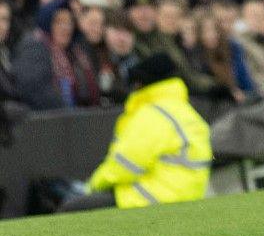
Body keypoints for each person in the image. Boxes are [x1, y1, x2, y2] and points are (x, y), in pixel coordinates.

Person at [57, 53, 212, 212]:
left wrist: (91, 186)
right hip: (186, 195)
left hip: (153, 198)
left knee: (70, 208)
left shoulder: (152, 114)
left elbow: (124, 165)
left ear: (140, 84)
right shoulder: (182, 109)